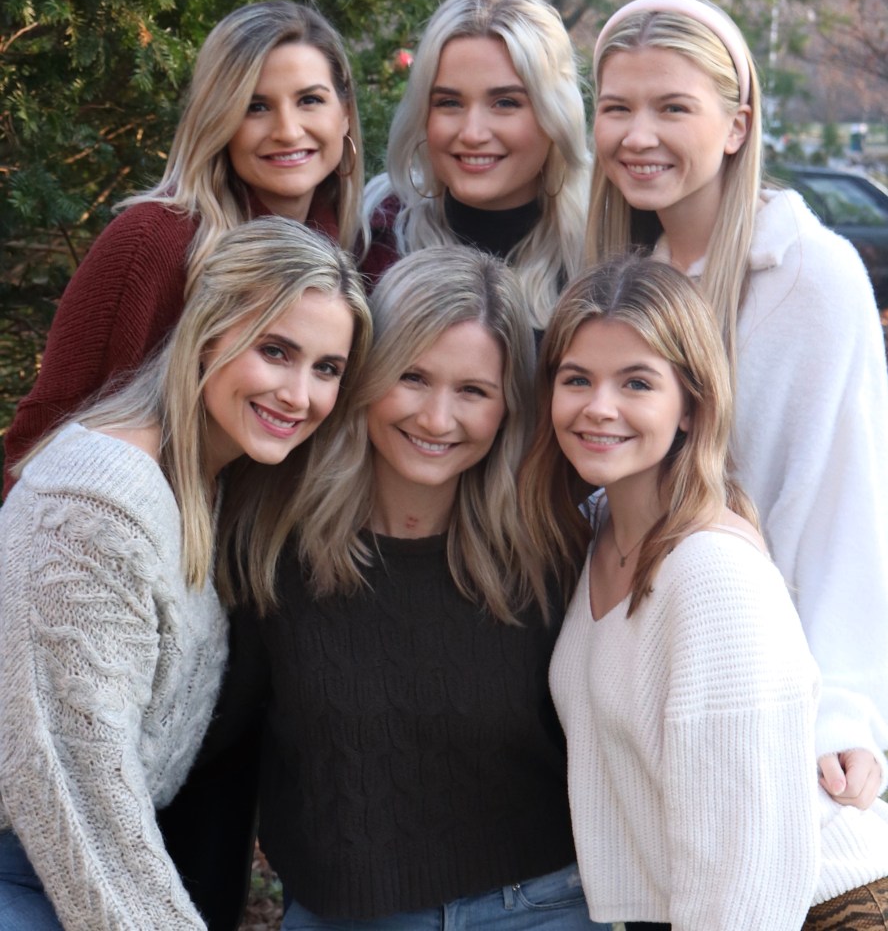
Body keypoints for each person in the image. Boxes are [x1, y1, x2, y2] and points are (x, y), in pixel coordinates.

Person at [0, 217, 372, 931]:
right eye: (275, 351)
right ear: (206, 334)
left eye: (326, 369)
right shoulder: (97, 501)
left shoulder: (206, 480)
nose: (299, 395)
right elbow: (75, 796)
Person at [240, 248, 609, 929]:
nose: (437, 420)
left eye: (473, 391)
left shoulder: (556, 549)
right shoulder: (271, 545)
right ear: (366, 376)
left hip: (540, 906)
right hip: (346, 917)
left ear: (509, 406)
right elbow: (217, 754)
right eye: (412, 377)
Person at [586, 0, 888, 815]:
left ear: (737, 126)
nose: (637, 135)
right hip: (632, 690)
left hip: (761, 699)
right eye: (616, 108)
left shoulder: (810, 275)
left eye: (672, 108)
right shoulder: (622, 275)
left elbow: (844, 505)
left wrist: (845, 711)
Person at [519, 257, 888, 929]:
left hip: (816, 908)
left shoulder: (710, 573)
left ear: (690, 405)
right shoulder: (597, 530)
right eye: (577, 379)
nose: (599, 406)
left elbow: (745, 863)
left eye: (636, 382)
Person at [4, 0, 363, 495]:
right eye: (255, 106)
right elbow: (42, 435)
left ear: (344, 114)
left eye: (310, 100)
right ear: (219, 118)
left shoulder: (342, 252)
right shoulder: (155, 239)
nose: (287, 130)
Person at [362, 0, 589, 331]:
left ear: (556, 115)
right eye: (449, 102)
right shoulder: (374, 237)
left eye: (505, 103)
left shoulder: (603, 246)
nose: (472, 133)